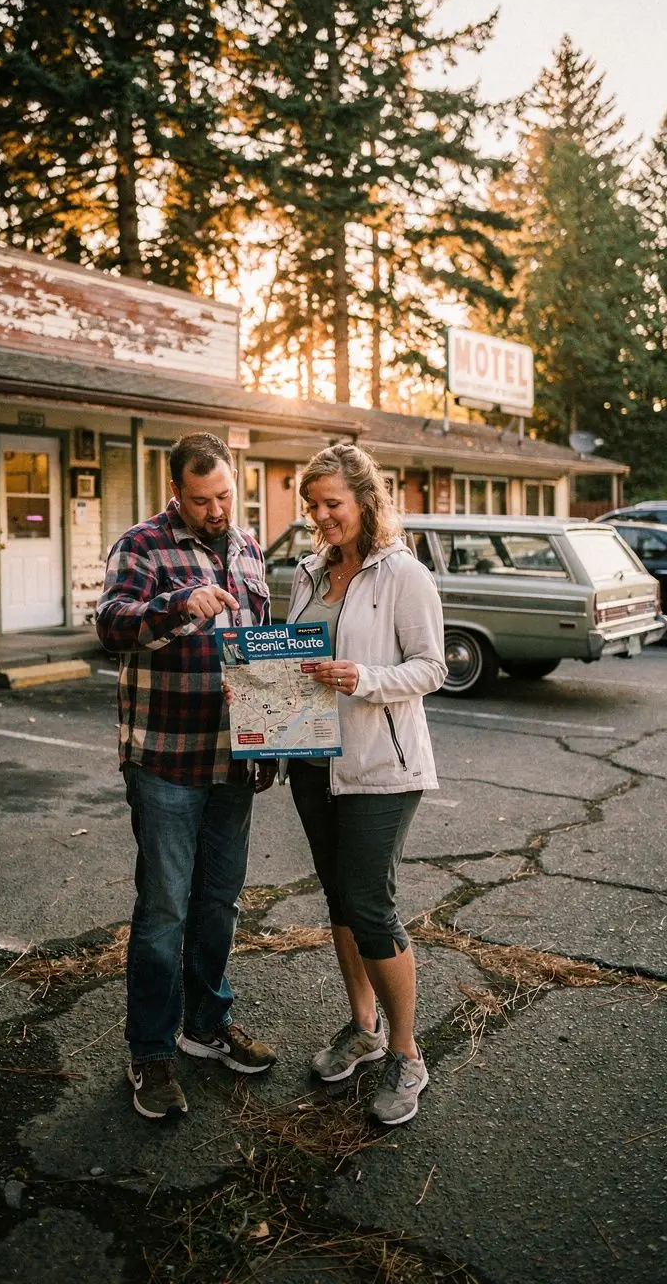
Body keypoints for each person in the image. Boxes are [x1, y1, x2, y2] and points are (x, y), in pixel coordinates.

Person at [96, 432, 277, 1121]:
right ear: (177, 493)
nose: (216, 509)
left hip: (234, 758)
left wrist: (272, 740)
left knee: (218, 903)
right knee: (165, 907)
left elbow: (258, 647)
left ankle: (206, 1025)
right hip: (166, 759)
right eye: (202, 500)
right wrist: (176, 607)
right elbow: (110, 625)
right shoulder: (142, 545)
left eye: (226, 495)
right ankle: (150, 1051)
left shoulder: (249, 545)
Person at [284, 443, 447, 1127]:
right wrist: (273, 734)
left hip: (382, 764)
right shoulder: (310, 574)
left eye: (333, 504)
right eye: (313, 506)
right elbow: (292, 661)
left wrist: (364, 679)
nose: (322, 517)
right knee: (341, 901)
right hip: (312, 759)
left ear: (365, 501)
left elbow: (432, 667)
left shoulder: (402, 574)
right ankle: (364, 1028)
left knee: (370, 903)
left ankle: (408, 1055)